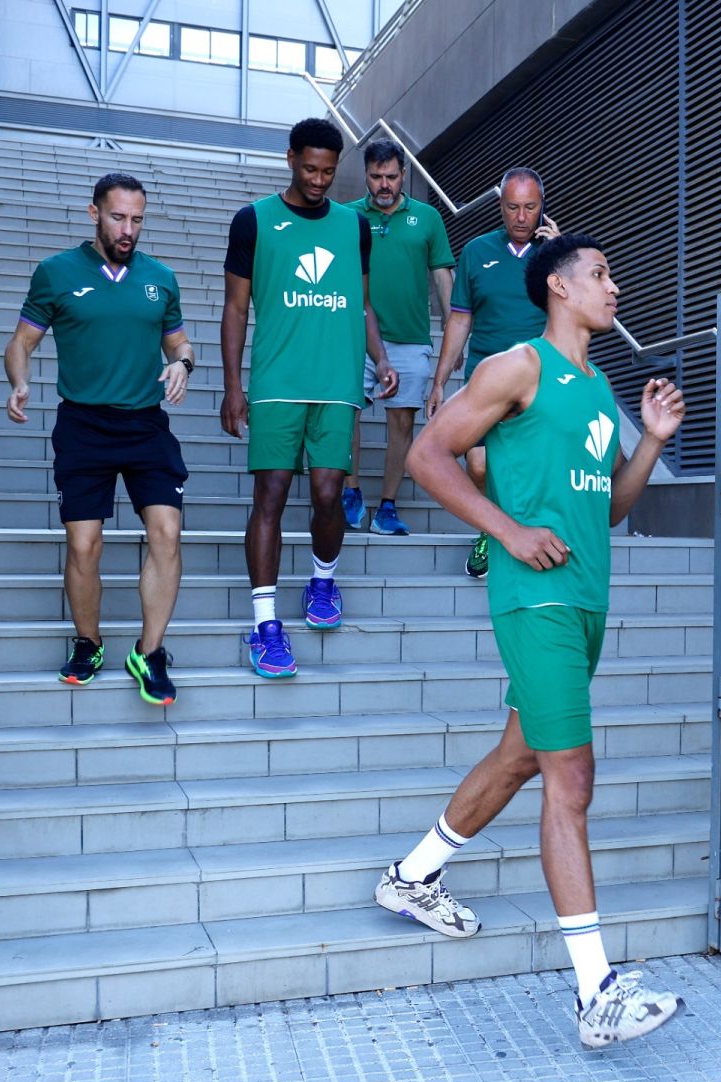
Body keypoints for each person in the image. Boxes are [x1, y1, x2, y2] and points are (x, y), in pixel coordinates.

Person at [382, 234, 688, 1048]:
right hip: (537, 599)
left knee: (522, 753)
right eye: (601, 273)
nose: (613, 286)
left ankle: (412, 875)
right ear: (558, 286)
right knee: (570, 775)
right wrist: (508, 531)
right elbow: (425, 453)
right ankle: (598, 992)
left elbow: (611, 506)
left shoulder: (595, 389)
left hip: (585, 597)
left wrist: (652, 440)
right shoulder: (517, 366)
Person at [4, 171, 194, 705]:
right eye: (118, 217)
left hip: (146, 425)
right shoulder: (57, 273)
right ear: (94, 214)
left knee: (168, 533)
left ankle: (149, 653)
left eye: (137, 219)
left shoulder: (160, 277)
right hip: (84, 425)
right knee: (84, 544)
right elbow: (21, 342)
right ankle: (88, 643)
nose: (128, 228)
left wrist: (183, 364)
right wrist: (19, 381)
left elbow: (181, 344)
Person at [220, 118, 395, 678]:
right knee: (269, 497)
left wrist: (381, 357)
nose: (319, 180)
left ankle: (322, 580)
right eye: (309, 168)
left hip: (337, 385)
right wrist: (232, 385)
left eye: (328, 170)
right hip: (277, 385)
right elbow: (236, 308)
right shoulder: (254, 221)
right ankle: (266, 624)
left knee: (327, 496)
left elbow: (362, 304)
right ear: (291, 158)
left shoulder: (354, 227)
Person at [429, 167, 556, 578]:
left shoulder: (556, 255)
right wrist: (440, 380)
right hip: (485, 380)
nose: (521, 217)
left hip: (539, 379)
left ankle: (531, 533)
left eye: (530, 208)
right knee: (479, 464)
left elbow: (581, 312)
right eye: (513, 207)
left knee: (535, 465)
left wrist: (561, 255)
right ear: (500, 205)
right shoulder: (476, 251)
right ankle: (489, 529)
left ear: (542, 207)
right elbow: (460, 320)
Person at [340, 138, 457, 537]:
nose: (384, 184)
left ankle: (387, 507)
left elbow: (443, 275)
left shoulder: (426, 218)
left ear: (403, 174)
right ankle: (350, 491)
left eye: (391, 176)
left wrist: (452, 336)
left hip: (409, 339)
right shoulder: (346, 216)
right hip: (355, 335)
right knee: (344, 413)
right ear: (366, 175)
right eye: (376, 177)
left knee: (402, 423)